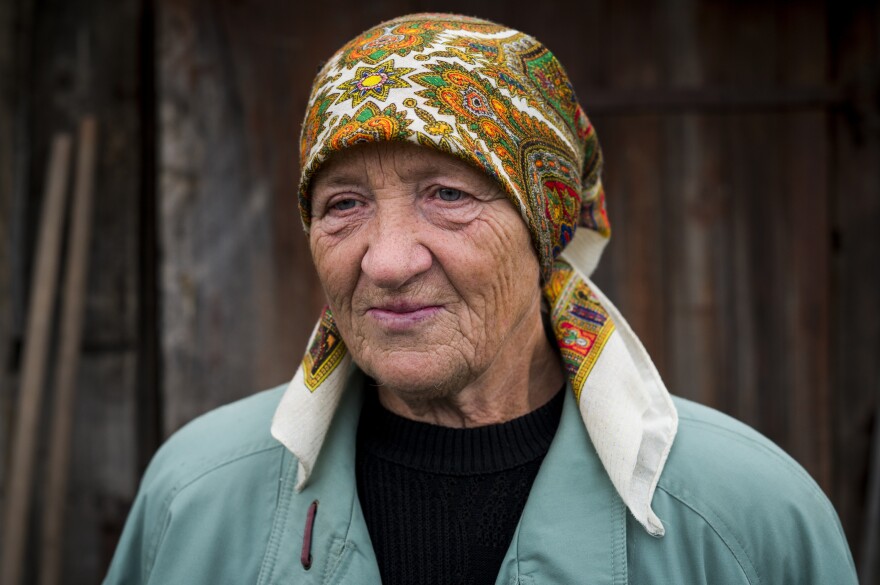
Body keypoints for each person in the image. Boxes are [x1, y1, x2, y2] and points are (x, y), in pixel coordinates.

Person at [104, 13, 857, 584]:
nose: (388, 258)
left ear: (542, 229)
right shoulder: (194, 499)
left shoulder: (745, 520)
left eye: (448, 193)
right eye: (343, 204)